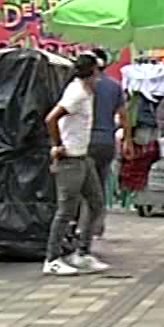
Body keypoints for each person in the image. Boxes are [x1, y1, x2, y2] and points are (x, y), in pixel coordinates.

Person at [42, 56, 111, 277]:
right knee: (66, 210)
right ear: (92, 73)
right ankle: (52, 258)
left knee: (96, 202)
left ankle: (82, 252)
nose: (99, 77)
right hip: (70, 158)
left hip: (83, 156)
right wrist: (57, 145)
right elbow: (51, 118)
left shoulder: (86, 91)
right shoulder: (76, 93)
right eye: (97, 72)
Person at [84, 53, 130, 240]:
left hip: (84, 142)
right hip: (106, 142)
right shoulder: (114, 86)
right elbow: (124, 115)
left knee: (83, 188)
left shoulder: (82, 85)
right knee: (100, 185)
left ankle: (82, 230)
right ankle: (97, 226)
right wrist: (127, 140)